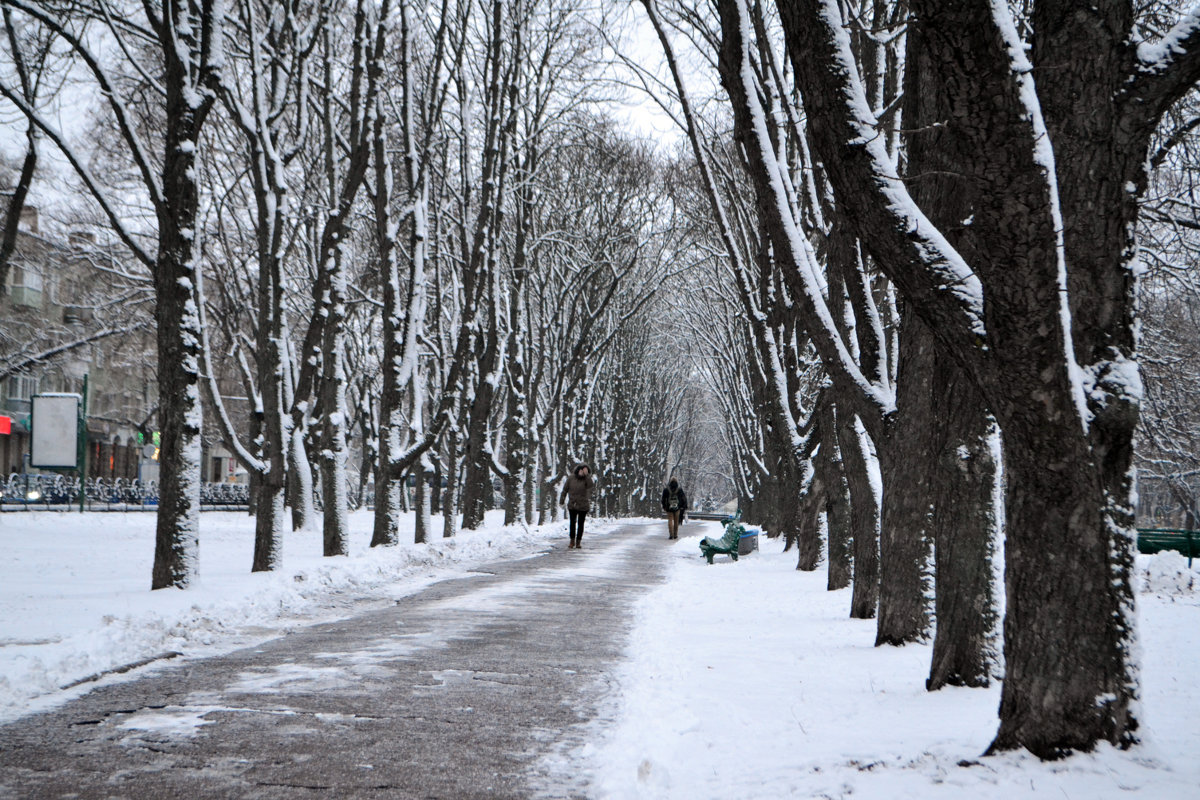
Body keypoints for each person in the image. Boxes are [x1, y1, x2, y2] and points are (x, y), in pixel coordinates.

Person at [559, 463, 595, 549]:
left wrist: (587, 476)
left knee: (580, 524)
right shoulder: (571, 478)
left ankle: (578, 541)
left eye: (584, 471)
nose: (582, 472)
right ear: (578, 470)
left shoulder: (586, 479)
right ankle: (572, 540)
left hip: (583, 505)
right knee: (572, 523)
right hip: (573, 504)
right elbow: (565, 489)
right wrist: (562, 501)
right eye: (581, 470)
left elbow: (590, 485)